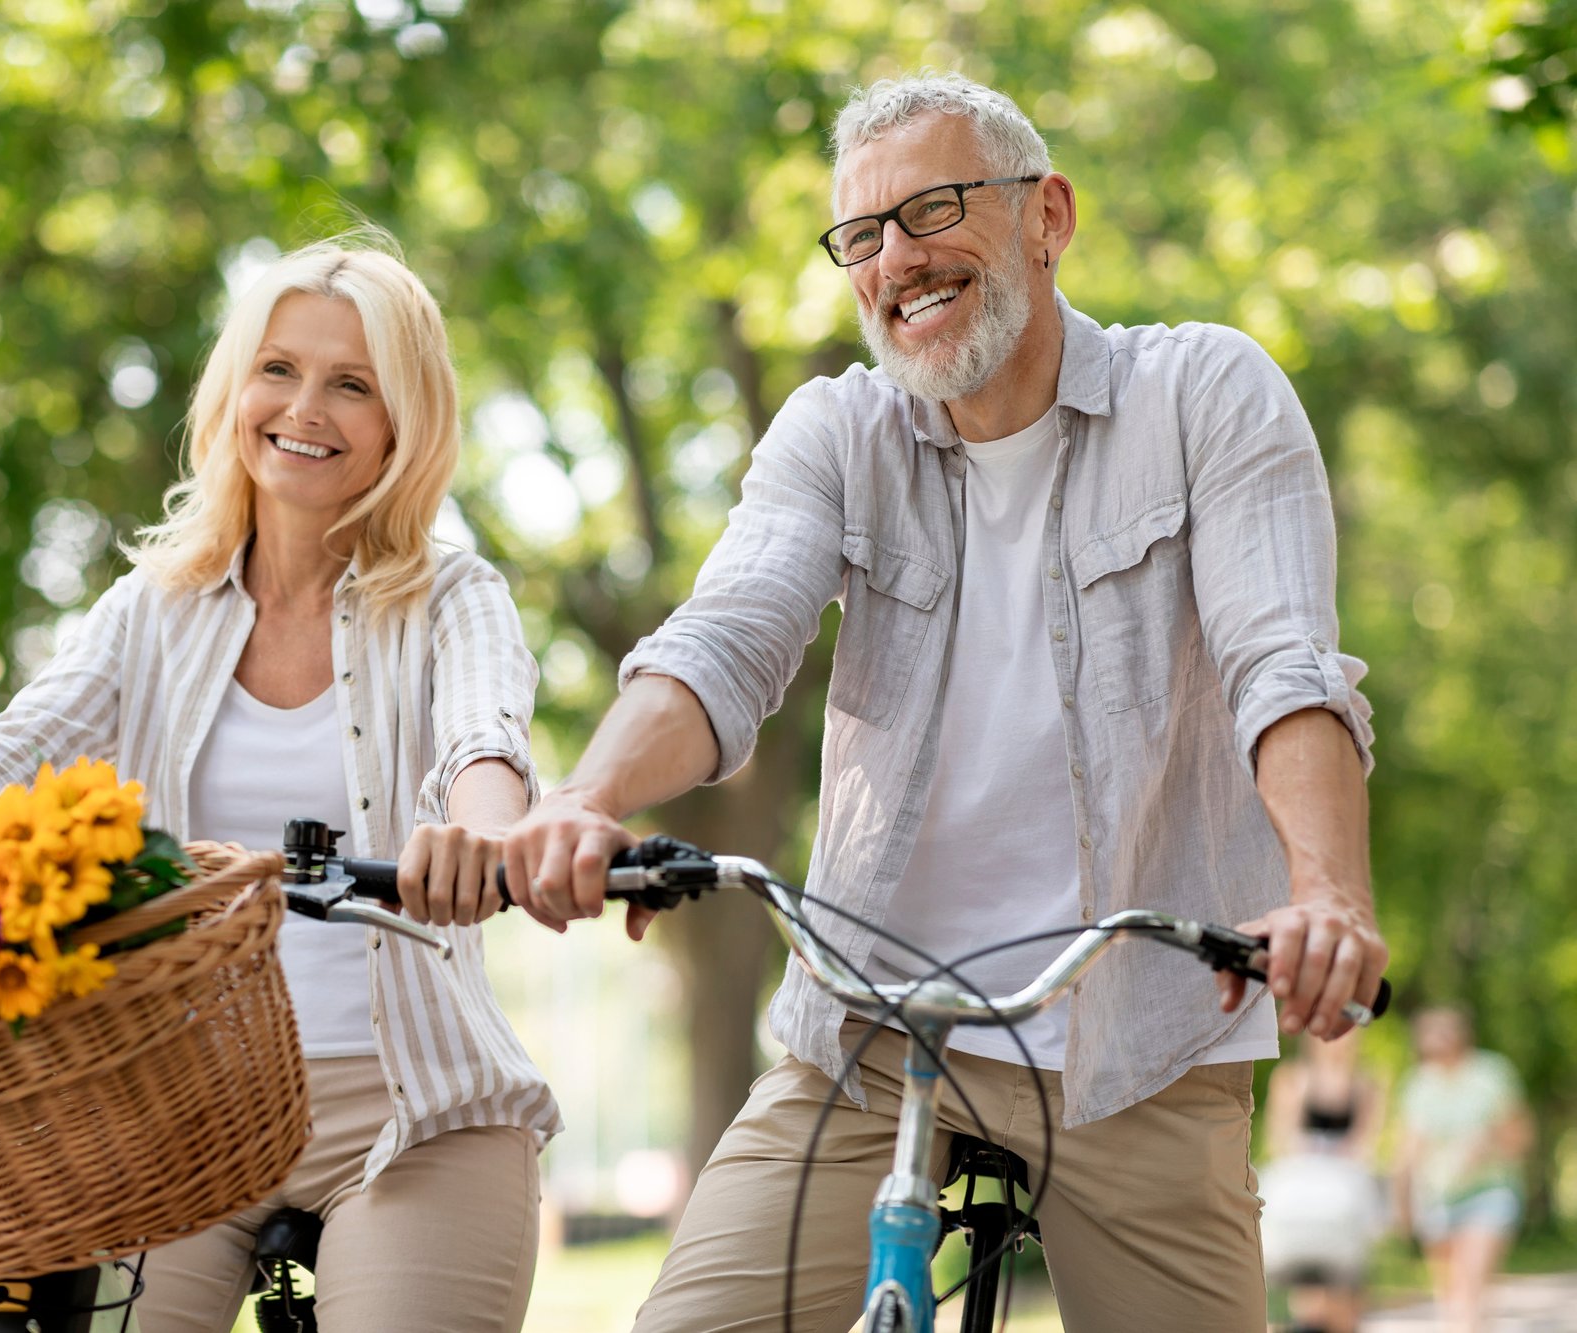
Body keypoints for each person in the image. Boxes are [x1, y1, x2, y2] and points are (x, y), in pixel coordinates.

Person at [504, 70, 1387, 1332]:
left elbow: (1282, 664)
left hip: (1138, 1047)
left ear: (1046, 215)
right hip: (868, 1034)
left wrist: (1325, 896)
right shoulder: (835, 434)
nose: (894, 261)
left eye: (930, 210)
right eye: (859, 237)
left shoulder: (1204, 394)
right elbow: (729, 634)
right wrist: (584, 798)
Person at [0, 236, 558, 1333]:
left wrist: (485, 841)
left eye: (351, 384)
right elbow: (13, 747)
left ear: (402, 424)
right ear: (235, 388)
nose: (304, 406)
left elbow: (482, 739)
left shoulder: (451, 596)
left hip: (414, 1110)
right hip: (181, 1105)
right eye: (278, 368)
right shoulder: (157, 605)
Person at [1395, 1006, 1532, 1333]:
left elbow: (1522, 1135)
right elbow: (1407, 1151)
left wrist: (1490, 1142)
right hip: (1438, 1198)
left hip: (1490, 1192)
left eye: (1445, 1030)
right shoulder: (1419, 1084)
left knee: (1471, 1282)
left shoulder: (1491, 1073)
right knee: (1450, 1294)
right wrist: (1402, 1203)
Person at [1259, 1034, 1386, 1333]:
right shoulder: (1292, 1079)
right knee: (1306, 1286)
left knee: (1343, 1285)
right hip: (1303, 1195)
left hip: (1345, 1195)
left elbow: (1366, 1140)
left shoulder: (1364, 1083)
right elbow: (1281, 1135)